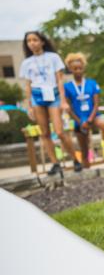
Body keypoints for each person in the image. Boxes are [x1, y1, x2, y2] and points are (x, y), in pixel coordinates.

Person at [19, 31, 81, 175]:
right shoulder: (26, 63)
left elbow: (59, 80)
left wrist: (63, 101)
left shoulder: (53, 57)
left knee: (59, 131)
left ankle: (75, 159)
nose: (32, 43)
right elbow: (27, 85)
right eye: (29, 41)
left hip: (53, 96)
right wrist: (29, 106)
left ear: (42, 41)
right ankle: (55, 163)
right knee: (45, 133)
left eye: (35, 40)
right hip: (37, 97)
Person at [63, 53, 104, 168]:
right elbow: (68, 108)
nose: (78, 71)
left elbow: (96, 103)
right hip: (79, 119)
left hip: (93, 115)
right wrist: (80, 122)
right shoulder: (67, 87)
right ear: (70, 70)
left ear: (83, 68)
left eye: (80, 68)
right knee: (84, 150)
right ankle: (86, 166)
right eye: (75, 69)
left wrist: (90, 119)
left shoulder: (91, 83)